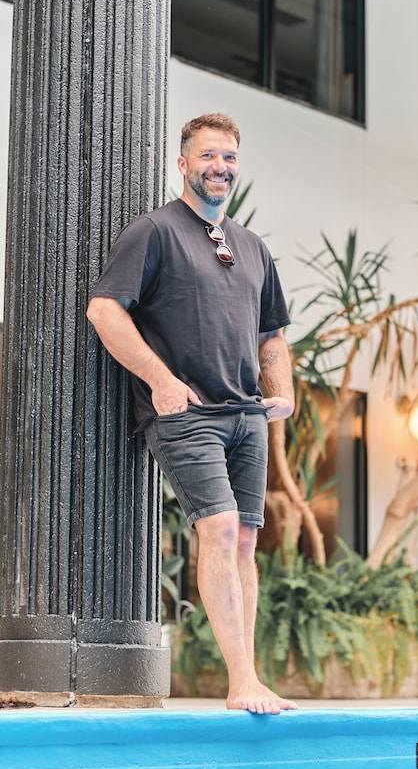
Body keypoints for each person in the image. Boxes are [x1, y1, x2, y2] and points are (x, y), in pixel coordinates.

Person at [87, 113, 297, 715]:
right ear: (183, 164)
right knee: (221, 527)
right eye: (208, 156)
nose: (220, 167)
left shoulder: (253, 247)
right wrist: (162, 381)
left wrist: (279, 390)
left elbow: (272, 336)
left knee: (246, 539)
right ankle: (240, 683)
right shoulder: (154, 231)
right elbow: (104, 311)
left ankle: (250, 674)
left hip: (246, 415)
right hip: (187, 413)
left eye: (229, 157)